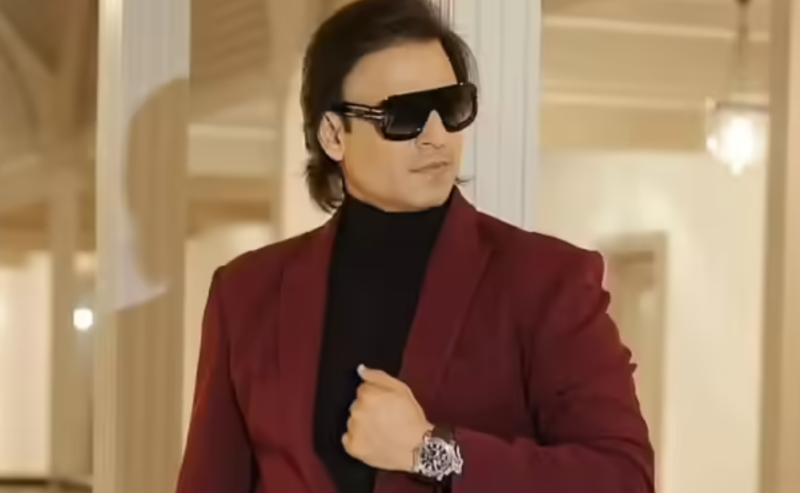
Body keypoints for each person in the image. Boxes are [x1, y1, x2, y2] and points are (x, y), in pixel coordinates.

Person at [176, 0, 655, 492]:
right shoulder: (245, 293)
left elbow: (623, 478)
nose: (436, 136)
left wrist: (427, 450)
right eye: (402, 116)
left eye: (451, 107)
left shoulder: (545, 282)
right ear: (334, 135)